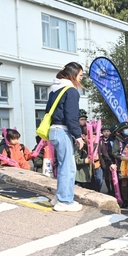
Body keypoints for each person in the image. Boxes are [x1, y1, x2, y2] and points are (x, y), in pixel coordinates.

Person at [46, 62, 85, 212]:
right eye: (80, 75)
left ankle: (59, 197)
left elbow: (48, 110)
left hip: (53, 130)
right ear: (73, 74)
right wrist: (78, 135)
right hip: (63, 130)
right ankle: (65, 200)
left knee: (63, 165)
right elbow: (71, 116)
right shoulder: (71, 91)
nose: (81, 78)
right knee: (68, 168)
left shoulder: (55, 89)